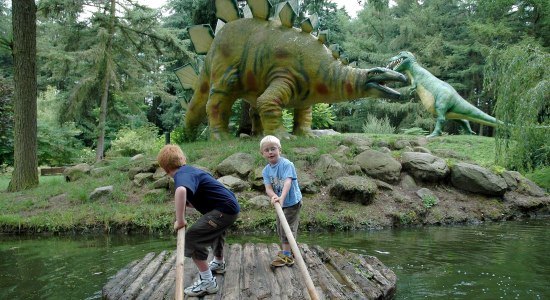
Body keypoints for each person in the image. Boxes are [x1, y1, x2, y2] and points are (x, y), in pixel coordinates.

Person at [157, 144, 240, 297]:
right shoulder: (190, 170)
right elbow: (202, 191)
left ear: (164, 168)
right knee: (214, 229)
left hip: (224, 210)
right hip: (229, 208)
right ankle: (219, 263)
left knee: (193, 237)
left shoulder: (180, 175)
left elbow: (181, 191)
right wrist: (191, 203)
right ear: (183, 159)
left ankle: (208, 282)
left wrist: (180, 220)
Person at [260, 135, 303, 267]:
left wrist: (282, 198)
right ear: (262, 154)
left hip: (292, 202)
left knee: (287, 228)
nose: (270, 152)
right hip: (280, 202)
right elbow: (268, 188)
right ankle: (291, 249)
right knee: (280, 227)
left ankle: (287, 256)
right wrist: (274, 196)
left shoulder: (287, 165)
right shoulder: (266, 171)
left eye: (273, 149)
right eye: (266, 150)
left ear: (280, 150)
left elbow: (287, 182)